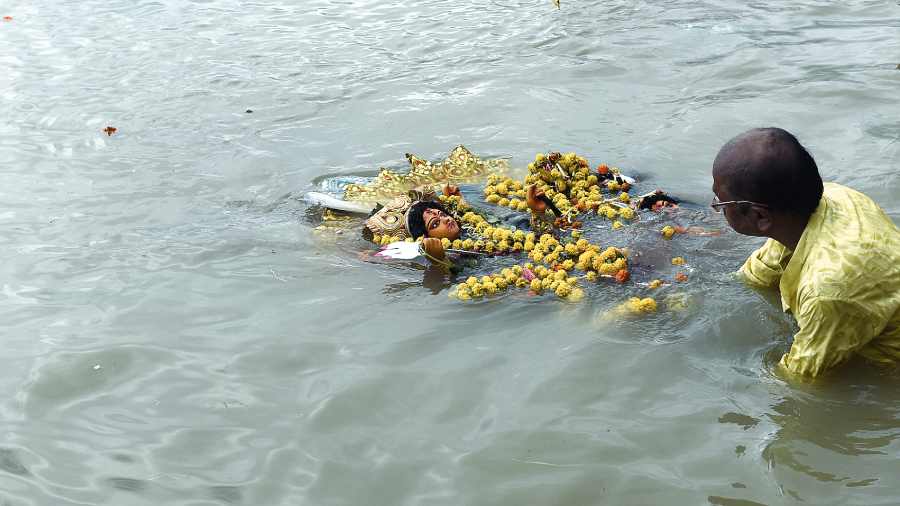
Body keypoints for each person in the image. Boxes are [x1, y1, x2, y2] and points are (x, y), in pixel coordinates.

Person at [711, 127, 900, 378]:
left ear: (759, 216)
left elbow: (800, 379)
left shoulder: (829, 290)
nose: (715, 206)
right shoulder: (833, 196)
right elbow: (755, 276)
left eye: (720, 202)